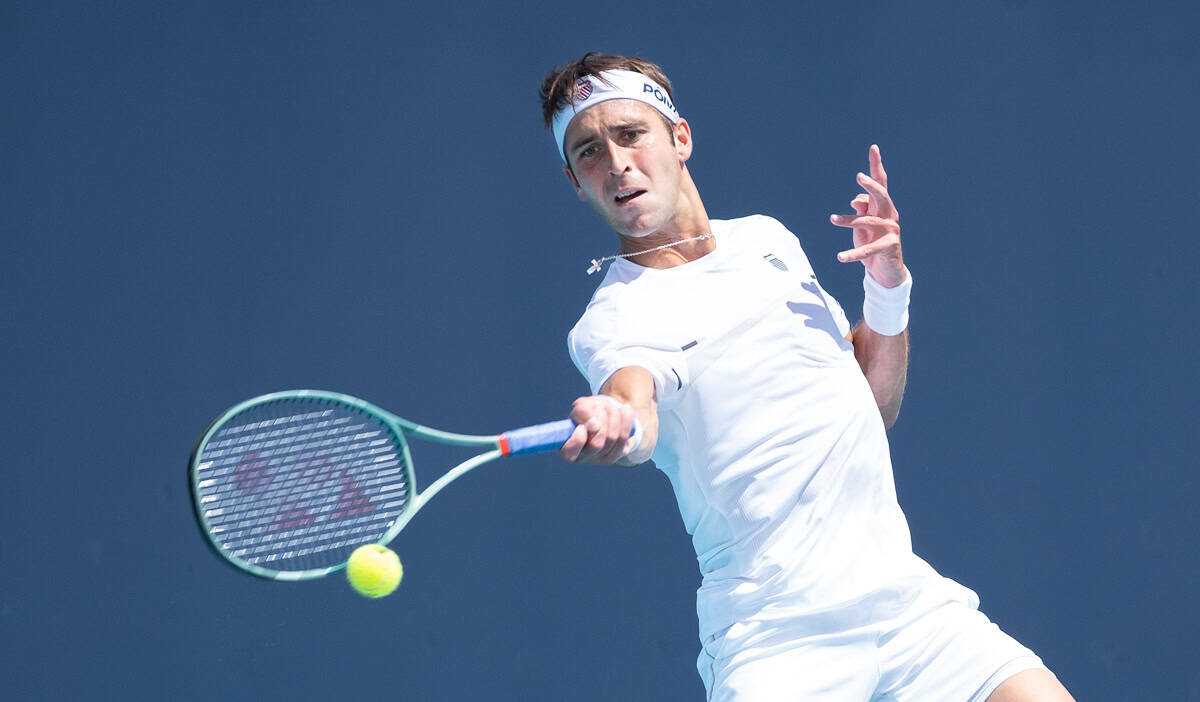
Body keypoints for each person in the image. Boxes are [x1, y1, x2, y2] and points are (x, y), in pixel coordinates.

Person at [539, 53, 1074, 702]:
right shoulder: (616, 320)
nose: (616, 161)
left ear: (680, 137)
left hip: (906, 607)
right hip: (778, 639)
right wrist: (619, 424)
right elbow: (633, 405)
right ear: (575, 179)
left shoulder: (769, 241)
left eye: (630, 134)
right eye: (590, 150)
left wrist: (886, 289)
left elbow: (872, 407)